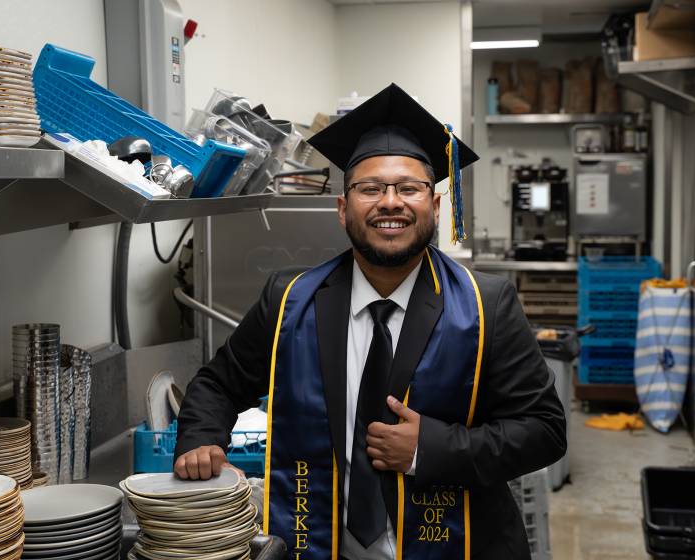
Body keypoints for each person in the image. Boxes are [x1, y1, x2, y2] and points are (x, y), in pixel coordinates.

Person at [175, 83, 566, 560]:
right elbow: (219, 383)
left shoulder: (487, 304)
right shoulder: (291, 299)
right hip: (318, 544)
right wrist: (199, 439)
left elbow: (545, 430)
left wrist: (431, 449)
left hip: (461, 545)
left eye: (409, 188)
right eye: (370, 189)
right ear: (343, 210)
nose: (390, 202)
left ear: (436, 207)